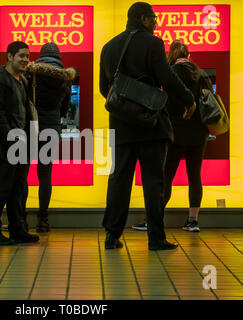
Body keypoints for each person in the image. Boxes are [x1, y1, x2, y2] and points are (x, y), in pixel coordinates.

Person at [99, 2, 196, 250]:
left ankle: (112, 235)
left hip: (121, 125)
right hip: (151, 124)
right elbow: (167, 77)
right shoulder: (153, 43)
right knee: (154, 181)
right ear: (143, 19)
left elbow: (104, 89)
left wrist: (126, 106)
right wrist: (188, 99)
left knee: (120, 179)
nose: (156, 22)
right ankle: (156, 238)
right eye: (154, 18)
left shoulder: (109, 47)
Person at [132, 40, 213, 233]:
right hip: (199, 134)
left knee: (165, 177)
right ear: (188, 55)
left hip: (174, 133)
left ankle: (154, 219)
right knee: (195, 177)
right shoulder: (202, 74)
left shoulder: (170, 75)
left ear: (171, 57)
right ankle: (193, 221)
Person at [0, 41, 40, 245]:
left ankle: (17, 229)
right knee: (3, 187)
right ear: (9, 56)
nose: (25, 59)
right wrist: (10, 138)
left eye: (27, 56)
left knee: (18, 187)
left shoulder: (20, 81)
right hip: (5, 143)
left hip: (20, 143)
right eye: (21, 56)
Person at [24, 42, 76, 232]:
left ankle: (21, 218)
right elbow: (65, 108)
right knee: (45, 174)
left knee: (23, 173)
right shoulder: (65, 79)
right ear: (58, 58)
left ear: (41, 56)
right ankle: (43, 219)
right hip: (51, 128)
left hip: (30, 126)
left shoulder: (31, 73)